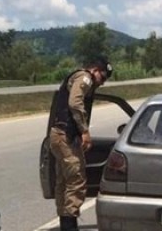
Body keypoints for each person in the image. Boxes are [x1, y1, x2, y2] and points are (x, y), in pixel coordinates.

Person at [49, 57, 113, 231]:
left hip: (59, 135)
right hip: (66, 136)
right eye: (102, 77)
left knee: (64, 181)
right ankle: (69, 225)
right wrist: (84, 131)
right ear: (95, 70)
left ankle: (65, 222)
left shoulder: (81, 78)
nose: (102, 82)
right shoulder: (85, 78)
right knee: (76, 180)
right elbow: (75, 102)